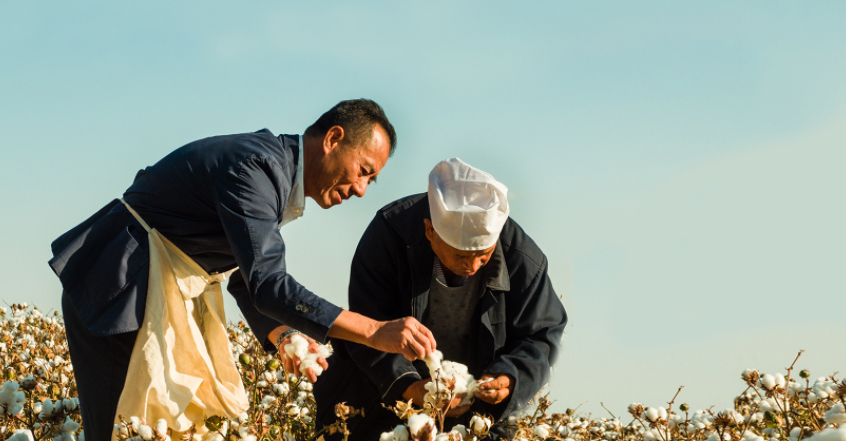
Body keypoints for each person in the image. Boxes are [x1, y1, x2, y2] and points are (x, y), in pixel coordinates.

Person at [47, 99, 436, 440]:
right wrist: (373, 330)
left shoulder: (273, 173)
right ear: (333, 139)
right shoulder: (257, 169)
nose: (361, 189)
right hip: (120, 287)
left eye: (371, 180)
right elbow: (269, 284)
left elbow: (243, 278)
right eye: (364, 170)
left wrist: (284, 334)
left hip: (140, 286)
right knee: (121, 427)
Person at [313, 158, 567, 439]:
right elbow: (368, 325)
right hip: (374, 400)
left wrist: (510, 377)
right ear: (430, 231)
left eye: (484, 255)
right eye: (460, 255)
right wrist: (409, 387)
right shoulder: (390, 236)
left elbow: (541, 336)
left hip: (471, 415)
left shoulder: (523, 259)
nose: (472, 267)